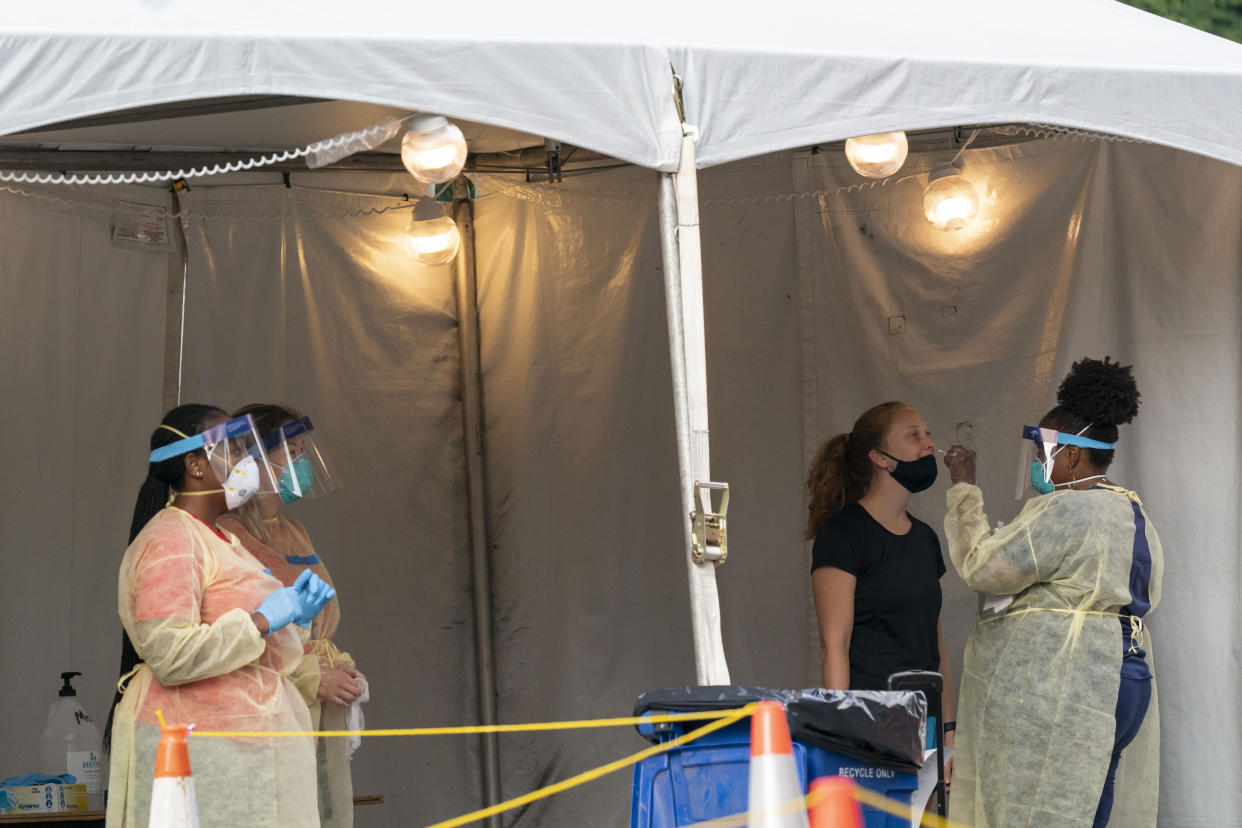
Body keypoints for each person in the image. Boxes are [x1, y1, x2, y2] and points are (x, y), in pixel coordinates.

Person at [942, 357, 1162, 828]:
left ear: (1073, 455)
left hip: (1075, 686)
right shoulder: (1130, 509)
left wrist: (964, 489)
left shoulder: (1067, 510)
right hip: (1124, 679)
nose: (1040, 464)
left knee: (1042, 811)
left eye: (1044, 451)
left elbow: (983, 568)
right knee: (1089, 807)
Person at [104, 404, 336, 828]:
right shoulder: (170, 540)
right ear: (195, 465)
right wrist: (263, 621)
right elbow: (171, 654)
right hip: (207, 755)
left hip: (242, 754)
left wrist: (295, 616)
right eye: (230, 447)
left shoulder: (222, 537)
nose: (244, 459)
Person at [217, 403, 364, 828]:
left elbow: (317, 622)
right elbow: (235, 638)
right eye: (292, 452)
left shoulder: (295, 530)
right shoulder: (227, 536)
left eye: (303, 451)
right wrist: (308, 674)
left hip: (315, 713)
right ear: (252, 458)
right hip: (265, 717)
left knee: (324, 812)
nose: (301, 464)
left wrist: (336, 668)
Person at [807, 401, 955, 756]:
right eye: (914, 435)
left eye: (928, 433)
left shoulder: (925, 537)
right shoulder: (844, 534)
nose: (929, 443)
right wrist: (841, 731)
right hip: (869, 716)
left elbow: (937, 648)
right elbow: (834, 644)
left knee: (926, 814)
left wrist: (949, 730)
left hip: (926, 719)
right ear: (881, 457)